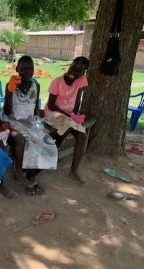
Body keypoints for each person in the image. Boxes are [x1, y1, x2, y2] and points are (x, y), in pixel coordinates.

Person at [1, 55, 58, 195]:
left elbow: (34, 107)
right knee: (29, 142)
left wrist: (39, 121)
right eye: (24, 68)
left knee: (50, 146)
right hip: (14, 120)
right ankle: (20, 171)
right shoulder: (12, 85)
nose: (28, 71)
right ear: (17, 69)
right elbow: (7, 111)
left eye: (30, 68)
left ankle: (31, 175)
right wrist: (9, 90)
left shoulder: (35, 85)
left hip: (30, 121)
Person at [44, 56, 90, 184]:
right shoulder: (57, 82)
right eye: (74, 66)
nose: (75, 71)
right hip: (53, 113)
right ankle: (55, 149)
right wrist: (71, 117)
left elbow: (78, 98)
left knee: (82, 137)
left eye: (80, 70)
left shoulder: (81, 79)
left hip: (69, 116)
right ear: (71, 64)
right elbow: (51, 105)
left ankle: (73, 171)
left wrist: (76, 114)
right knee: (68, 124)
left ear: (83, 73)